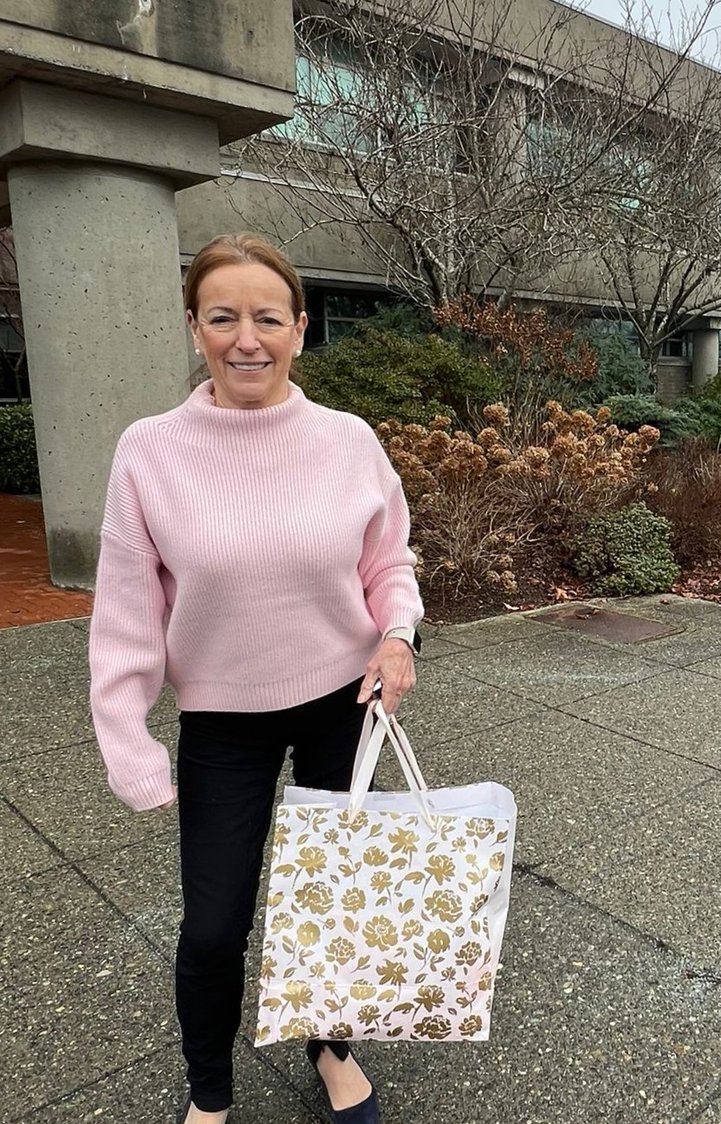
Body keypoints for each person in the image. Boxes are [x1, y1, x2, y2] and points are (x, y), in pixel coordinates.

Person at [88, 232, 423, 1124]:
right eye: (223, 316)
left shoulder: (347, 440)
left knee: (336, 900)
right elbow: (124, 612)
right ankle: (209, 1093)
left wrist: (398, 637)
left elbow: (389, 561)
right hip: (221, 722)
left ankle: (331, 1043)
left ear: (300, 330)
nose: (247, 338)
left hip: (341, 705)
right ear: (195, 327)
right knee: (212, 927)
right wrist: (128, 740)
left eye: (268, 318)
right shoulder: (151, 451)